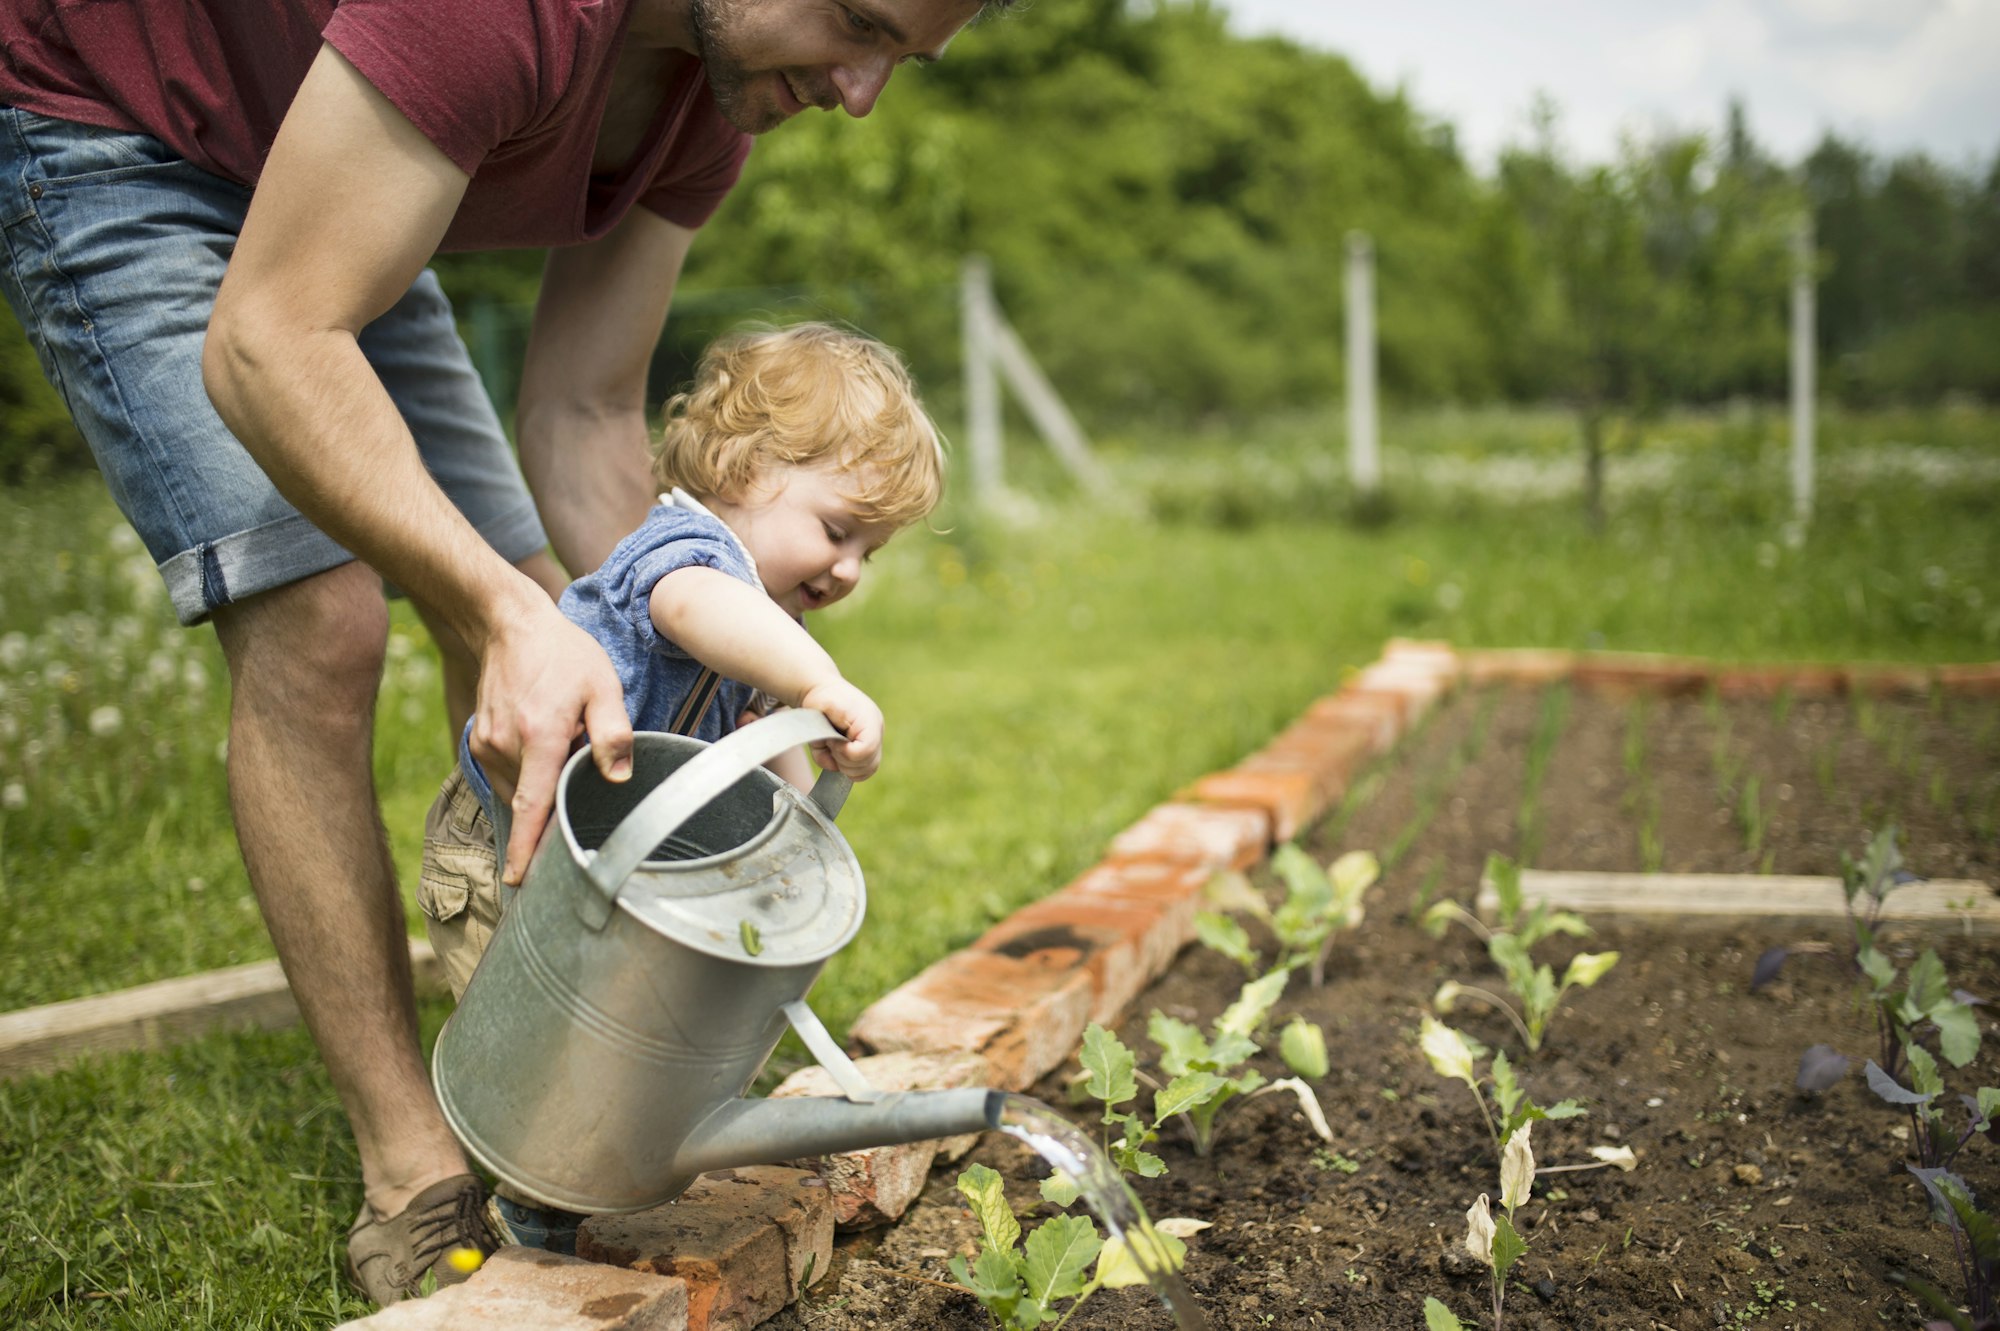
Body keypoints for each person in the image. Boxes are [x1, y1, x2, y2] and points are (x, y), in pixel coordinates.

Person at [0, 0, 997, 1305]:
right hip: (118, 126)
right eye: (859, 21)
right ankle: (413, 1163)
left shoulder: (719, 82)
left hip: (327, 160)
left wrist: (616, 634)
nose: (862, 92)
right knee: (324, 617)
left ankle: (546, 1028)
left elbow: (584, 416)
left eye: (903, 60)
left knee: (556, 610)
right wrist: (497, 615)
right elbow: (268, 337)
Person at [419, 320, 941, 1251]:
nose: (851, 567)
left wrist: (799, 793)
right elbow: (696, 609)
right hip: (510, 852)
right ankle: (526, 1207)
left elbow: (748, 742)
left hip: (606, 875)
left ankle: (574, 1185)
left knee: (619, 1033)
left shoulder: (758, 616)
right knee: (538, 1049)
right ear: (744, 471)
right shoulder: (683, 557)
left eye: (873, 549)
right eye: (837, 529)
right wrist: (817, 679)